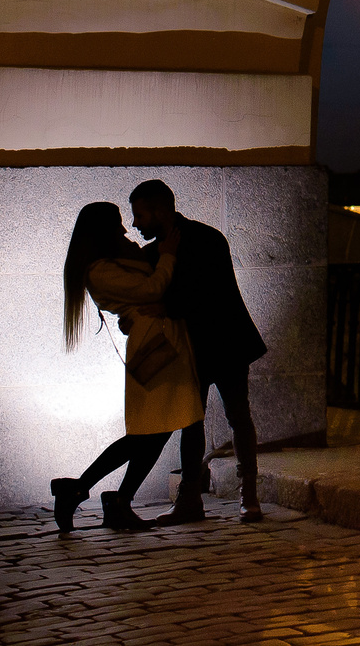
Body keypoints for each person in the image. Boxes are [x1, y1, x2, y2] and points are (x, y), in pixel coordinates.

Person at [50, 202, 201, 533]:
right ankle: (84, 489)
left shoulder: (113, 262)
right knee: (149, 431)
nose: (123, 230)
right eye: (116, 224)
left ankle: (108, 496)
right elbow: (151, 288)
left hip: (163, 339)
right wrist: (168, 255)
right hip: (154, 344)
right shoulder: (99, 270)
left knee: (157, 430)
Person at [128, 179, 269, 524]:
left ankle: (245, 494)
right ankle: (197, 498)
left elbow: (206, 293)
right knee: (194, 421)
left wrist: (165, 305)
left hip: (224, 341)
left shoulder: (207, 240)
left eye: (140, 215)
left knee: (234, 416)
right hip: (194, 346)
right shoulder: (162, 251)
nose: (135, 224)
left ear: (161, 211)